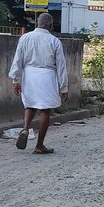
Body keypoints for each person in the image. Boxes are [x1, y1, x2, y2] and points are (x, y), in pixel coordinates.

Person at [9, 12, 68, 155]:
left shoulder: (25, 38)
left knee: (30, 105)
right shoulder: (54, 41)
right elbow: (61, 65)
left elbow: (17, 60)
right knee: (45, 110)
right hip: (47, 75)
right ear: (51, 25)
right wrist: (64, 86)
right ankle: (39, 145)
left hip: (29, 75)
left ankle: (25, 128)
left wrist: (16, 80)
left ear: (37, 24)